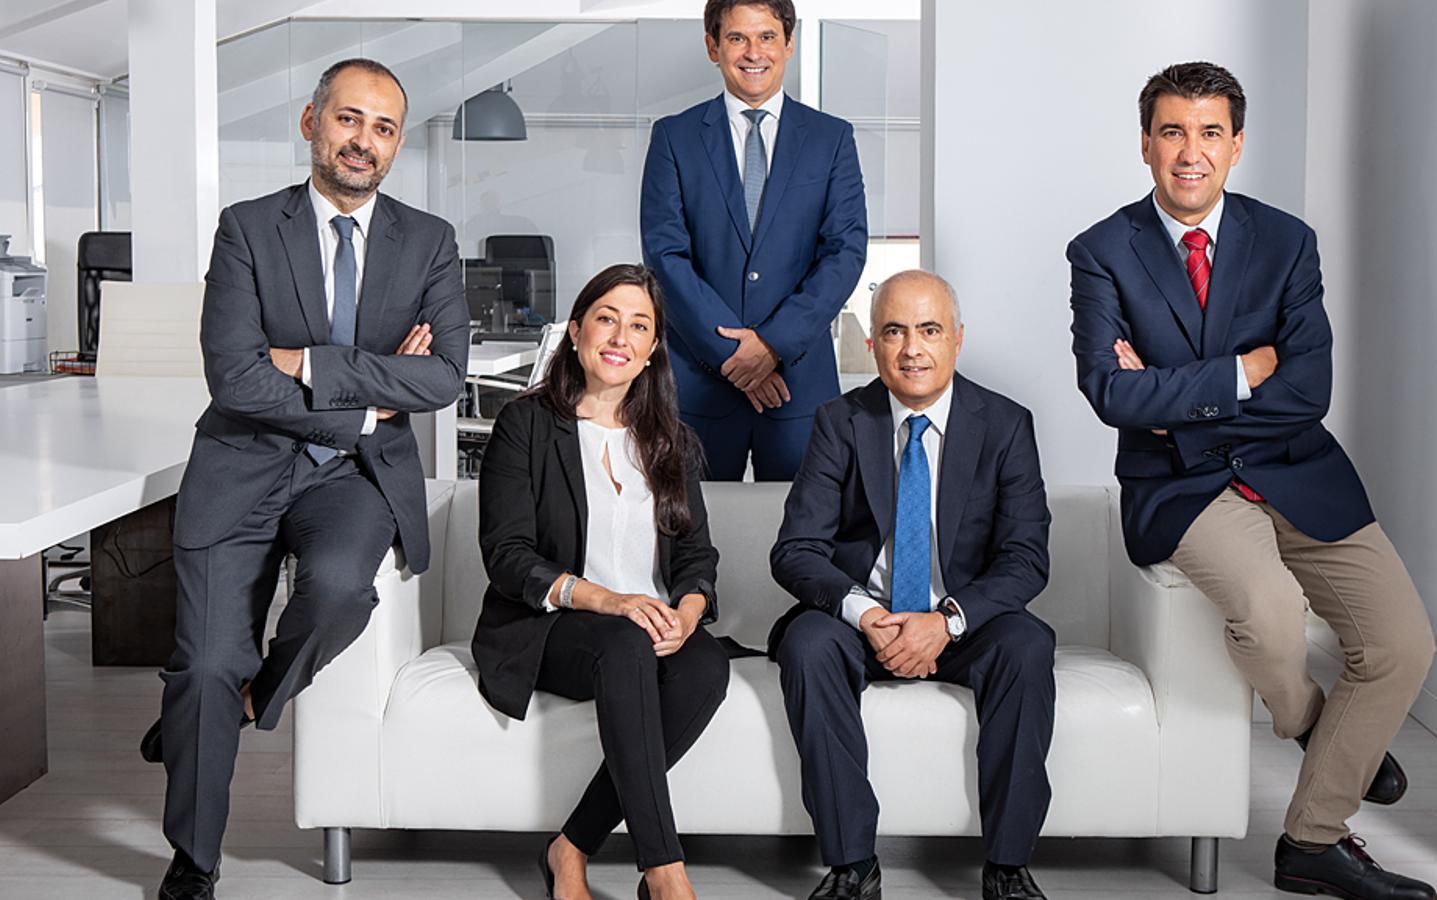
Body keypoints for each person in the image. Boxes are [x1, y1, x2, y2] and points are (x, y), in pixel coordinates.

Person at [1067, 61, 1437, 900]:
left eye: (1209, 133)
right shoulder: (1101, 251)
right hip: (1180, 488)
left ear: (1237, 145)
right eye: (1172, 132)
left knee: (1402, 644)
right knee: (1271, 615)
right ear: (1144, 144)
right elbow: (1110, 394)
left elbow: (1308, 392)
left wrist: (1176, 400)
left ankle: (1307, 848)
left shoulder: (1286, 241)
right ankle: (1312, 731)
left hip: (1298, 470)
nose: (1189, 153)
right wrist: (1242, 372)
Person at [143, 58, 469, 900]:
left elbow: (442, 379)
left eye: (384, 127)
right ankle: (195, 861)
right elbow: (235, 378)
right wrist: (366, 401)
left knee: (339, 594)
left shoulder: (429, 241)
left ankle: (246, 702)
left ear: (397, 143)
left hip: (353, 481)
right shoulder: (248, 228)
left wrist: (311, 362)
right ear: (311, 123)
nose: (364, 141)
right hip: (241, 465)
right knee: (204, 663)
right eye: (349, 119)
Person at [769, 270, 1055, 900]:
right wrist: (864, 614)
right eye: (894, 332)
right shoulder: (840, 421)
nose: (912, 349)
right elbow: (796, 550)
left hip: (963, 624)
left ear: (957, 338)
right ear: (872, 344)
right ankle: (852, 866)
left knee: (1028, 645)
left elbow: (1025, 558)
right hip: (864, 622)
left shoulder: (1005, 424)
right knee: (808, 644)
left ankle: (1007, 866)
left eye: (929, 330)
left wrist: (945, 622)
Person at [472, 264, 730, 900]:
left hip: (647, 624)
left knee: (706, 666)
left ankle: (570, 845)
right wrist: (607, 600)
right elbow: (507, 556)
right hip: (552, 625)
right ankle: (665, 873)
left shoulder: (670, 440)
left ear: (652, 349)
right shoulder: (526, 425)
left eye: (638, 326)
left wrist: (687, 612)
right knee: (624, 644)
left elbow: (696, 554)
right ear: (577, 329)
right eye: (607, 319)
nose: (620, 337)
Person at [641, 0, 868, 482]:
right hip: (698, 386)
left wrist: (772, 345)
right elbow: (665, 255)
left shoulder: (831, 139)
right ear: (712, 47)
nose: (753, 52)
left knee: (804, 523)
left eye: (767, 37)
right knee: (686, 523)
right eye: (736, 38)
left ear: (789, 44)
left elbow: (844, 252)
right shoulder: (674, 138)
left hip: (797, 385)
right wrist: (735, 357)